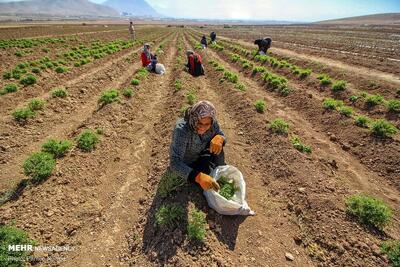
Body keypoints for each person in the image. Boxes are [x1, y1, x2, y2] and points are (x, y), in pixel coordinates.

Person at [169, 100, 227, 191]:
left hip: (202, 153)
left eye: (206, 124)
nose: (202, 127)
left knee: (218, 145)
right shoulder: (182, 130)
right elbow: (174, 163)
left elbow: (221, 134)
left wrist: (220, 138)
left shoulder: (213, 124)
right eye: (199, 123)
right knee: (202, 184)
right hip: (188, 163)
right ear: (194, 118)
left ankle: (220, 172)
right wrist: (198, 177)